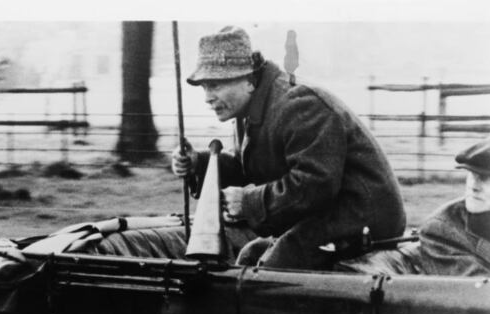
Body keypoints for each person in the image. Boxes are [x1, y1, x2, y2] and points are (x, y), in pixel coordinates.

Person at [172, 26, 406, 269]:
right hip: (327, 212)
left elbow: (315, 184)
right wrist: (199, 163)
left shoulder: (299, 105)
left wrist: (249, 203)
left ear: (250, 80)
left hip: (361, 215)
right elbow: (248, 168)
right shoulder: (252, 111)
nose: (207, 97)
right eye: (204, 87)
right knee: (250, 258)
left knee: (271, 272)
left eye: (215, 85)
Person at [418, 138, 490, 276]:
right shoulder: (441, 231)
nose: (473, 186)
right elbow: (483, 291)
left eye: (486, 178)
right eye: (471, 174)